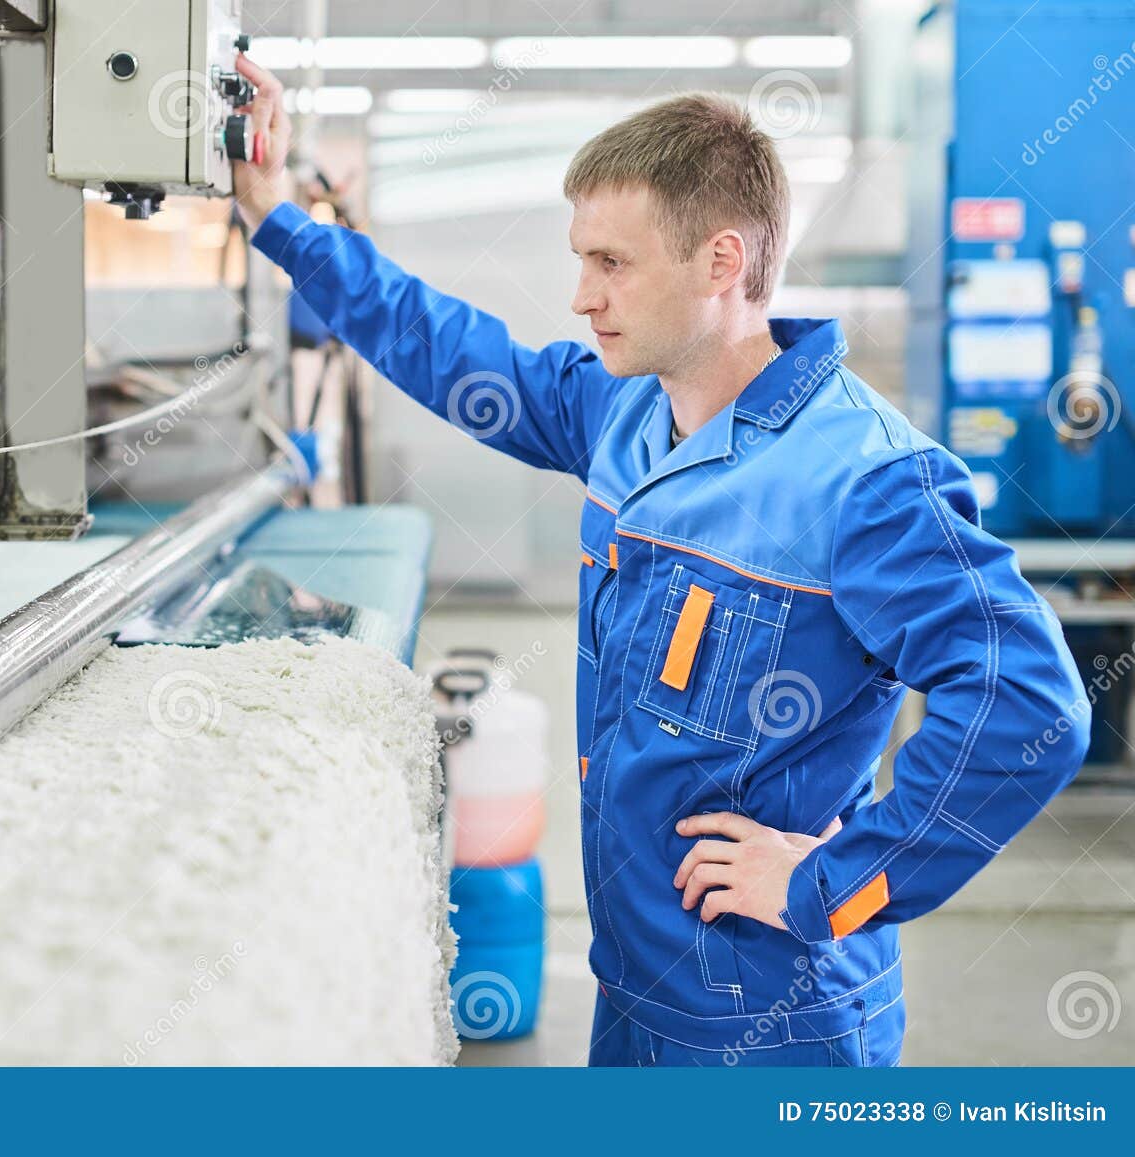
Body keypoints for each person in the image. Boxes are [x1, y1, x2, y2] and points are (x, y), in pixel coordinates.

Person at [228, 54, 1089, 1067]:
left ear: (721, 263)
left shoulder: (864, 479)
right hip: (632, 978)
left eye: (611, 262)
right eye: (581, 258)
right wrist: (279, 221)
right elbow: (451, 348)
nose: (582, 295)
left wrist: (831, 881)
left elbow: (1029, 707)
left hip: (772, 1017)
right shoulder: (623, 409)